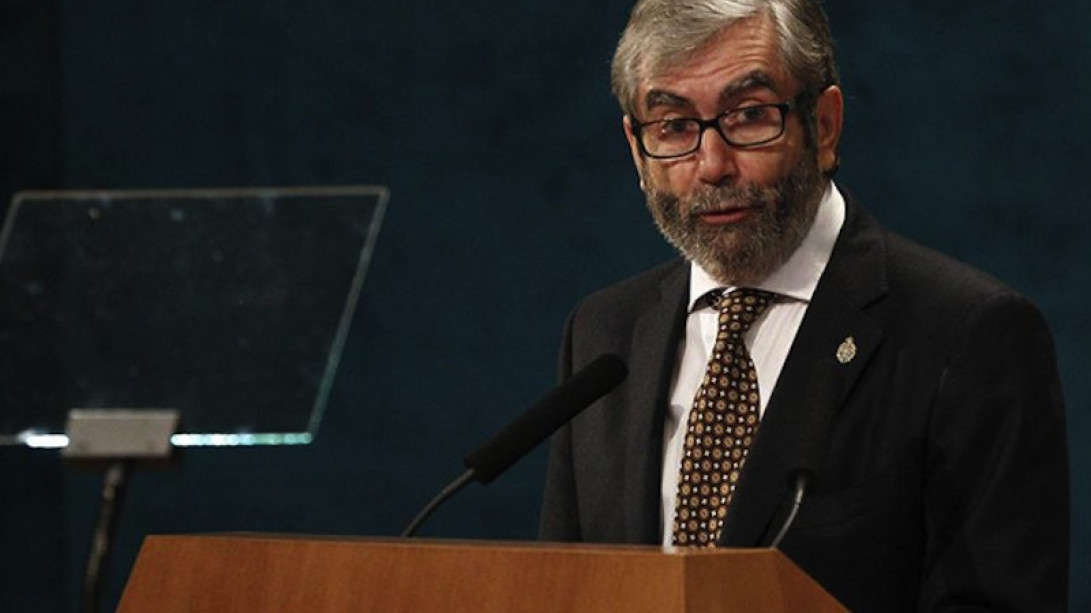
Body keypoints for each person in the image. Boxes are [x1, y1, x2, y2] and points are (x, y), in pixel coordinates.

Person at [538, 0, 1070, 611]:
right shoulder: (604, 332)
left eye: (749, 116)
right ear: (637, 148)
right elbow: (566, 591)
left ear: (823, 124)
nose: (712, 166)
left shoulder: (970, 334)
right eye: (675, 127)